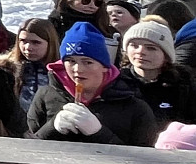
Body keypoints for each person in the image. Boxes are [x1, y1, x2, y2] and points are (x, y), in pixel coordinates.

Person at [26, 22, 158, 146]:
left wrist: (98, 133)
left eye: (87, 62)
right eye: (71, 61)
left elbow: (144, 160)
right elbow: (27, 148)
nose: (78, 69)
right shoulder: (46, 94)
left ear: (105, 66)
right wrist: (52, 127)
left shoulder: (134, 106)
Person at [118, 20, 196, 149]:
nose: (140, 52)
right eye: (134, 45)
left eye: (151, 48)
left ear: (166, 54)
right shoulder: (118, 83)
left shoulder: (184, 85)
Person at [0, 17, 60, 116]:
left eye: (36, 42)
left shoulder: (63, 71)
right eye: (23, 41)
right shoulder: (4, 68)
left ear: (50, 43)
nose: (28, 48)